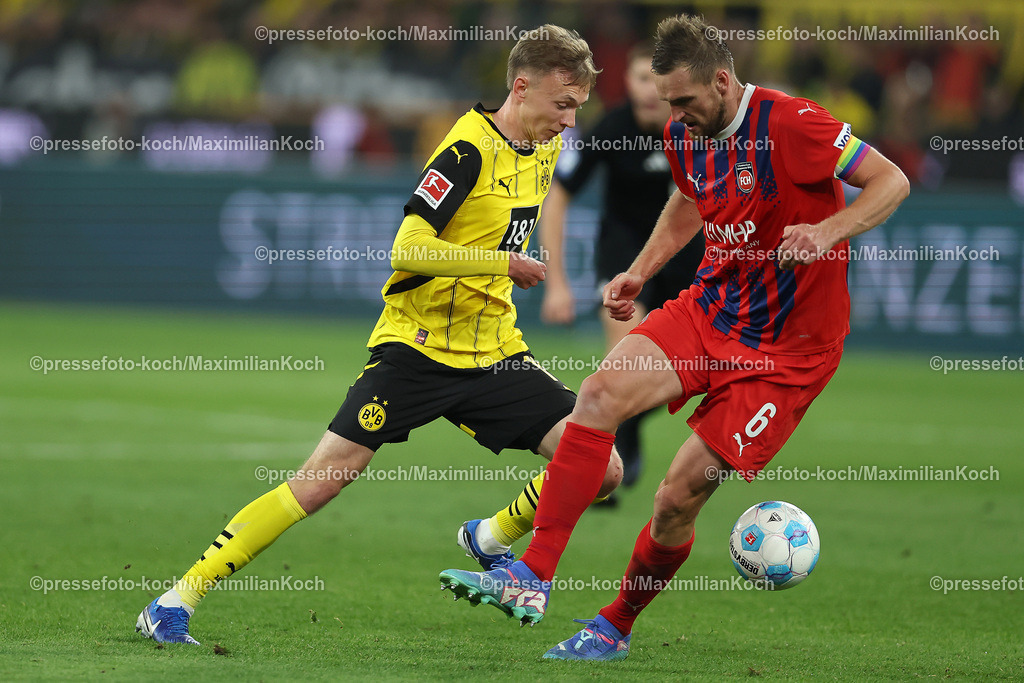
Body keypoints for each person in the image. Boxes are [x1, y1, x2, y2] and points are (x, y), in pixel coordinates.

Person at [135, 24, 625, 645]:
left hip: (495, 351)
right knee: (320, 482)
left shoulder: (544, 146)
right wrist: (500, 263)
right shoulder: (465, 150)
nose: (569, 121)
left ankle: (491, 536)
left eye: (578, 108)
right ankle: (174, 601)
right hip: (416, 350)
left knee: (602, 467)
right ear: (521, 88)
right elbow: (408, 246)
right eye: (562, 106)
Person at [439, 13, 909, 655]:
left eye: (687, 101)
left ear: (723, 80)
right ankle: (532, 575)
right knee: (599, 394)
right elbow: (690, 200)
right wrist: (640, 270)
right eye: (669, 104)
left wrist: (828, 232)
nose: (677, 115)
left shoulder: (796, 124)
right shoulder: (683, 134)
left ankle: (616, 624)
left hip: (788, 354)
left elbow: (892, 180)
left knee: (674, 500)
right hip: (712, 312)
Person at [540, 41, 705, 489]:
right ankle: (603, 465)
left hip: (688, 259)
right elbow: (557, 197)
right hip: (623, 257)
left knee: (682, 376)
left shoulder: (694, 127)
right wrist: (556, 283)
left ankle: (626, 436)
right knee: (624, 368)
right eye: (638, 78)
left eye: (656, 80)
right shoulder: (609, 127)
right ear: (626, 83)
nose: (649, 90)